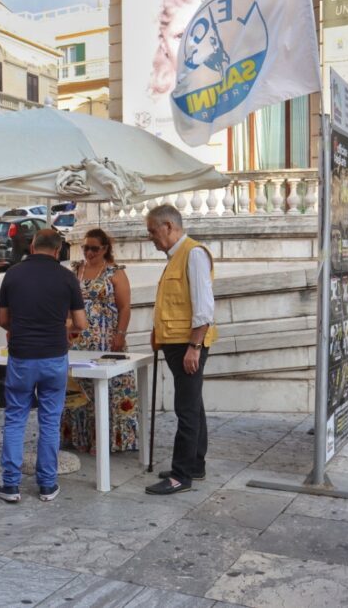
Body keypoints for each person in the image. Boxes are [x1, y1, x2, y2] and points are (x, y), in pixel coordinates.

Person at [0, 229, 86, 504]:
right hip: (54, 357)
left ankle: (10, 486)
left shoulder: (13, 274)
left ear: (32, 246)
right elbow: (81, 324)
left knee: (15, 418)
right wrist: (63, 328)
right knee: (49, 421)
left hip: (22, 356)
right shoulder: (67, 277)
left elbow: (2, 319)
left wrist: (21, 327)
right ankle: (47, 485)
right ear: (58, 251)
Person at [145, 205, 217, 495]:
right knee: (193, 404)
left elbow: (204, 307)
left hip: (188, 344)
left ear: (168, 226)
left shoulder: (193, 254)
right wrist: (157, 332)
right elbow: (174, 302)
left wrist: (194, 347)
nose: (150, 237)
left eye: (152, 231)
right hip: (175, 342)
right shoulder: (176, 257)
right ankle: (195, 464)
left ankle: (181, 475)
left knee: (185, 409)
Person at [61, 228, 137, 454]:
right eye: (86, 248)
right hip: (77, 339)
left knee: (104, 389)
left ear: (105, 248)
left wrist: (120, 335)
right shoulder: (76, 270)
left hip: (105, 339)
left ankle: (105, 440)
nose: (89, 252)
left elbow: (124, 307)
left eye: (94, 248)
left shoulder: (115, 272)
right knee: (80, 389)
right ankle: (80, 438)